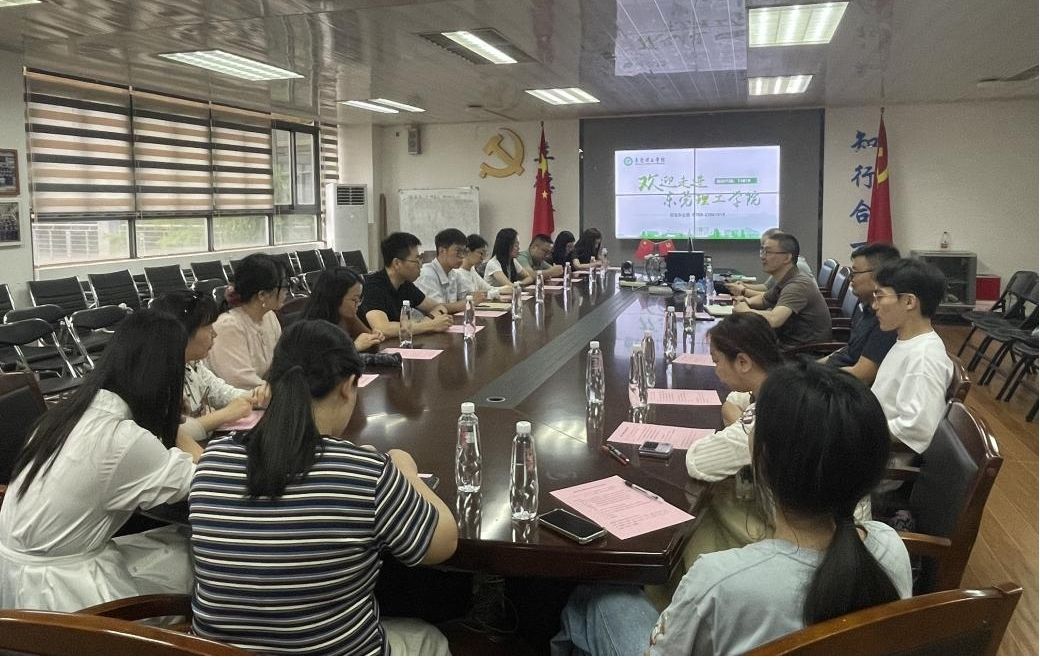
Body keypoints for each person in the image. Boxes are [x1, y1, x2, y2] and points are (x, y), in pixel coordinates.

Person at [552, 361, 912, 655]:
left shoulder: (720, 581)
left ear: (761, 460)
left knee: (596, 598)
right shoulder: (890, 546)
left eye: (753, 423)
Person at [190, 320, 458, 655]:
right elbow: (443, 542)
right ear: (347, 386)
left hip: (215, 653)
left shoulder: (212, 461)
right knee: (430, 638)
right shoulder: (366, 473)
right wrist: (407, 472)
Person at [0, 310, 198, 611]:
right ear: (163, 376)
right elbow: (204, 482)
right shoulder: (121, 439)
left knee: (171, 542)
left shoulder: (67, 414)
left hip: (18, 581)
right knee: (197, 553)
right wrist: (177, 425)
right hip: (65, 597)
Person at [152, 291, 269, 445]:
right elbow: (169, 434)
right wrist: (225, 414)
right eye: (208, 327)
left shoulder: (193, 365)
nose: (214, 334)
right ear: (183, 333)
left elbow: (220, 392)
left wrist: (257, 396)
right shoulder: (157, 378)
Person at [870, 258, 954, 456]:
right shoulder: (908, 341)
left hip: (882, 457)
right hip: (872, 434)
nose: (874, 305)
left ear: (909, 301)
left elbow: (918, 428)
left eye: (880, 296)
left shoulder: (924, 357)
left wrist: (854, 430)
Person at [732, 232, 832, 348]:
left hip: (803, 352)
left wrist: (745, 310)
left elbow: (775, 319)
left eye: (768, 252)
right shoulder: (786, 279)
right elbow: (765, 299)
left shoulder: (798, 285)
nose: (763, 257)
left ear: (787, 258)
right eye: (762, 251)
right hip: (787, 344)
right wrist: (747, 301)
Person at [821, 243, 901, 385]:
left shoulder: (887, 321)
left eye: (855, 273)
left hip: (842, 387)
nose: (850, 278)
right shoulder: (868, 308)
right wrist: (809, 366)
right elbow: (850, 350)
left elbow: (862, 375)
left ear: (878, 275)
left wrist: (813, 374)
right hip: (833, 374)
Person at [206, 253, 286, 388]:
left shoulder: (269, 316)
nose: (286, 291)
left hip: (265, 393)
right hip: (240, 398)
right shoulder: (228, 326)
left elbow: (280, 364)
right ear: (262, 295)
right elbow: (240, 382)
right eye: (283, 285)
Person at [359, 232, 454, 338]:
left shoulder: (405, 284)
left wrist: (428, 321)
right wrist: (429, 325)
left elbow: (438, 307)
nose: (421, 265)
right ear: (397, 263)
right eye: (416, 260)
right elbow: (382, 328)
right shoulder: (373, 286)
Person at [302, 266, 385, 352]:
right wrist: (355, 347)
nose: (358, 304)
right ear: (335, 298)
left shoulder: (348, 316)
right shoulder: (313, 327)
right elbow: (323, 358)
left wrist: (375, 336)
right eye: (354, 299)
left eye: (359, 299)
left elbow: (373, 345)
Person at [726, 227, 814, 295]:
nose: (763, 256)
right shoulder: (781, 269)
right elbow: (767, 287)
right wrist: (743, 285)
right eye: (762, 249)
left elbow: (774, 299)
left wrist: (744, 291)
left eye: (768, 251)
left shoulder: (796, 267)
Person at [416, 227, 486, 312]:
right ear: (442, 251)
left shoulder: (454, 274)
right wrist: (468, 302)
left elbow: (467, 296)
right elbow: (437, 308)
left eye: (464, 252)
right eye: (458, 251)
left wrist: (474, 297)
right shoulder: (427, 274)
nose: (462, 256)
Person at [457, 233, 510, 299]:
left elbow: (488, 288)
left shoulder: (472, 270)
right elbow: (470, 297)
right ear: (468, 251)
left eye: (485, 254)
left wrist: (506, 288)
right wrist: (501, 290)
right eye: (481, 253)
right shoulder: (458, 273)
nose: (483, 258)